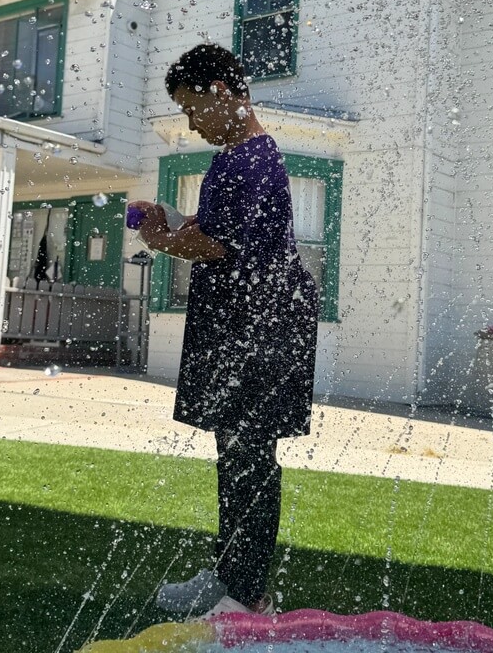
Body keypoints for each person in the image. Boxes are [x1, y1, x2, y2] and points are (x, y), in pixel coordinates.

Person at [128, 44, 318, 619]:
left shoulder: (256, 159)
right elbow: (220, 235)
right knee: (234, 455)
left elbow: (223, 247)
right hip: (242, 322)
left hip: (263, 327)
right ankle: (231, 576)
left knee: (250, 458)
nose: (190, 122)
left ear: (218, 91)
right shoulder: (233, 159)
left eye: (191, 109)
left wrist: (164, 241)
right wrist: (175, 223)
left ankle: (247, 596)